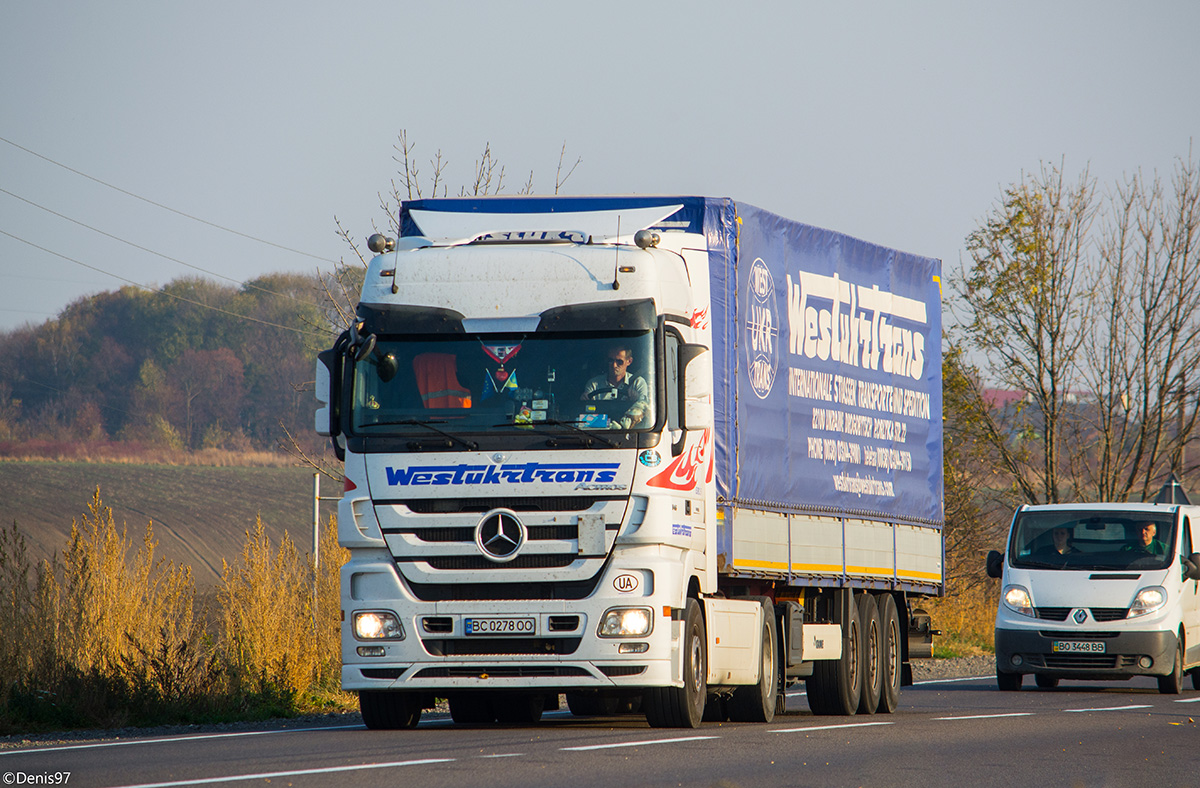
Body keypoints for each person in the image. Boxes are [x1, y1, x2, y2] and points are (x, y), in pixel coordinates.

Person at [580, 344, 651, 428]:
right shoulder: (594, 384)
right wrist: (584, 402)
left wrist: (634, 403)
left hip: (629, 433)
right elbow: (586, 419)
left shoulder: (638, 383)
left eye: (619, 361)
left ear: (629, 361)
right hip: (598, 432)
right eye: (610, 360)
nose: (614, 365)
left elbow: (643, 410)